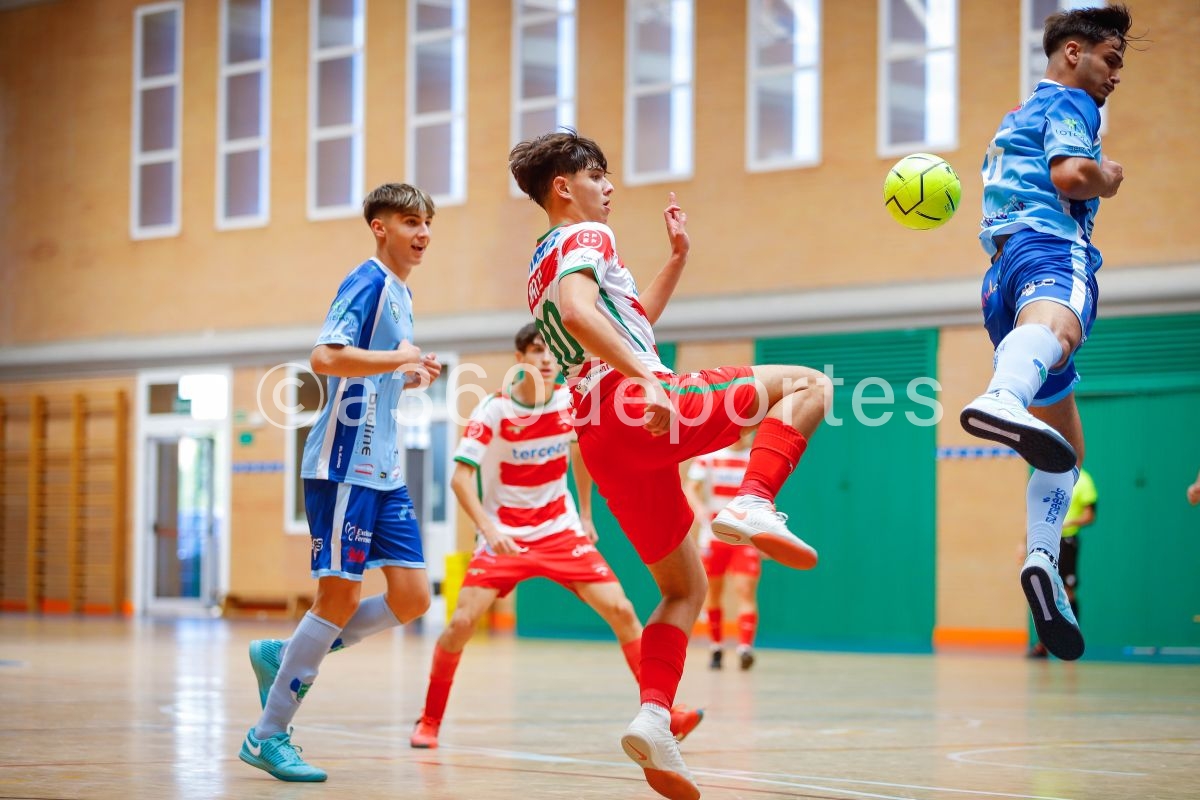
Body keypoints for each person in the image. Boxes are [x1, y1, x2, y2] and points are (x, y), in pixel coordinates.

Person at [510, 130, 831, 800]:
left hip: (601, 435)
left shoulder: (543, 260)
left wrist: (677, 260)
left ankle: (655, 716)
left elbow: (623, 321)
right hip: (633, 402)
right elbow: (590, 319)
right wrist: (648, 381)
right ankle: (752, 500)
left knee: (684, 588)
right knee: (809, 386)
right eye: (598, 174)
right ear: (563, 187)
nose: (610, 186)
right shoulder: (587, 236)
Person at [409, 322, 703, 748]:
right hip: (505, 534)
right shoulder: (495, 410)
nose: (547, 359)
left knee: (621, 610)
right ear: (520, 361)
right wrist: (488, 531)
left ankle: (665, 714)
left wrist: (585, 513)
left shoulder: (570, 401)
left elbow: (580, 451)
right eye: (536, 351)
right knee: (460, 623)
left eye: (551, 351)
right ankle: (429, 721)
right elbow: (459, 479)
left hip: (560, 531)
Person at [238, 183, 443, 782]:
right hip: (342, 463)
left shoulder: (402, 293)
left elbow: (367, 372)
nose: (422, 232)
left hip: (383, 469)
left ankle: (286, 655)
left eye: (427, 222)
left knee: (412, 597)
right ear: (380, 227)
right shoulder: (369, 280)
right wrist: (398, 361)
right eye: (409, 221)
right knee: (340, 598)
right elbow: (326, 357)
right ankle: (267, 734)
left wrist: (406, 376)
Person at [960, 5, 1133, 663]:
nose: (1114, 76)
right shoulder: (1074, 107)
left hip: (999, 274)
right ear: (1072, 54)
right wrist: (1107, 178)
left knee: (1064, 449)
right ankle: (1002, 396)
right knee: (1058, 326)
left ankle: (1042, 564)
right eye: (1110, 60)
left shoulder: (1014, 116)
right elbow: (1069, 175)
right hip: (1049, 250)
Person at [683, 429, 762, 671]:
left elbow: (765, 497)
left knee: (745, 589)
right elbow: (690, 487)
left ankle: (745, 648)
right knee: (713, 592)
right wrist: (700, 510)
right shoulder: (710, 456)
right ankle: (716, 647)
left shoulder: (756, 459)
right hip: (715, 533)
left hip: (745, 535)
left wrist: (765, 537)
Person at [1028, 467, 1097, 658]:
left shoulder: (1084, 480)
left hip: (1067, 540)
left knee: (1067, 591)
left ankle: (1071, 636)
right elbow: (1037, 514)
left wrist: (1069, 523)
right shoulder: (1045, 475)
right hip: (1046, 539)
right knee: (1042, 587)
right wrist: (1022, 542)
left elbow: (1089, 515)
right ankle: (1043, 645)